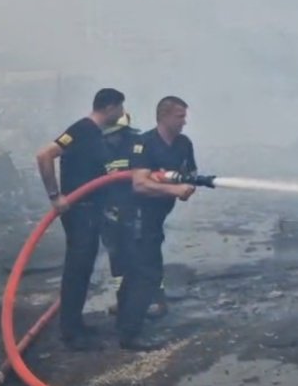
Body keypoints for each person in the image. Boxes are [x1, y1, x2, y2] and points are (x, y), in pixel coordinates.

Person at [35, 88, 125, 351]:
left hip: (91, 208)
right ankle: (71, 331)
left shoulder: (93, 133)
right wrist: (55, 195)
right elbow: (44, 155)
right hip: (80, 208)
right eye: (120, 108)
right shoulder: (83, 128)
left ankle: (75, 324)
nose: (121, 114)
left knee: (84, 267)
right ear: (109, 107)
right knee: (77, 267)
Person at [116, 96, 196, 351]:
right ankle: (131, 335)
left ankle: (124, 319)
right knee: (147, 273)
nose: (184, 121)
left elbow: (190, 174)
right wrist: (173, 189)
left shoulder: (183, 144)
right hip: (136, 217)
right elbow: (139, 184)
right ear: (163, 117)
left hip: (155, 219)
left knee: (136, 270)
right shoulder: (144, 144)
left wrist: (186, 185)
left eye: (185, 116)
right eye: (179, 116)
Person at [101, 113, 169, 320]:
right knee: (117, 255)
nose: (112, 138)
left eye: (116, 134)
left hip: (138, 210)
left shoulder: (139, 145)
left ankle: (156, 298)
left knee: (147, 254)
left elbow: (155, 176)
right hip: (111, 210)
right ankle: (123, 301)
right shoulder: (99, 147)